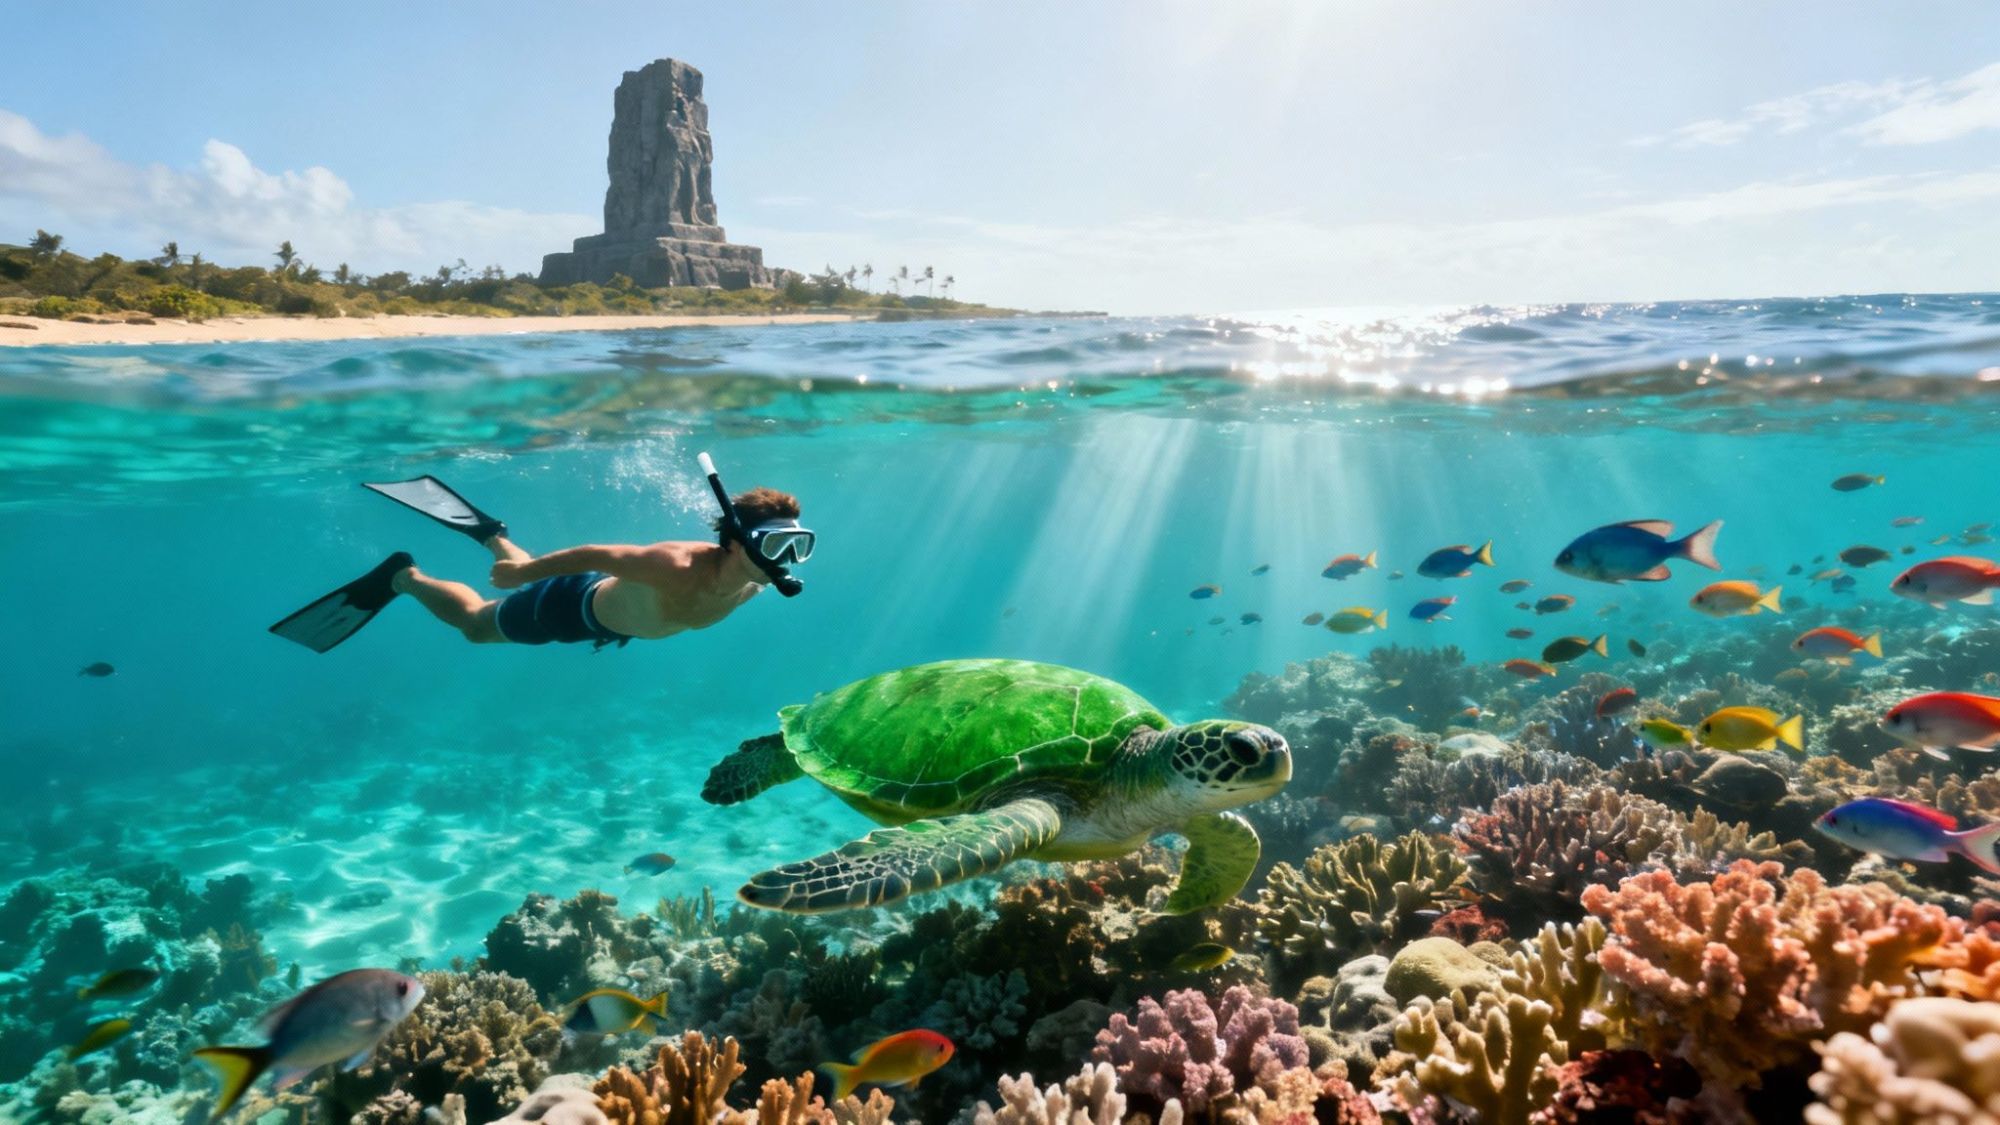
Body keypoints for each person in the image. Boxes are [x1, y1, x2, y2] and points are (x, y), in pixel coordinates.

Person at [269, 474, 812, 653]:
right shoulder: (673, 563)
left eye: (798, 547)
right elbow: (596, 554)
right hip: (569, 606)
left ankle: (492, 535)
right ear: (737, 544)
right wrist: (523, 577)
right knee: (477, 627)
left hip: (609, 619)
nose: (786, 562)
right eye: (775, 547)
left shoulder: (758, 580)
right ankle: (405, 577)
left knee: (510, 579)